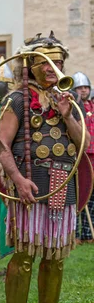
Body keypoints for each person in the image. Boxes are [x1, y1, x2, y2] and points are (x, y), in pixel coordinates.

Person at [0, 33, 89, 303]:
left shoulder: (69, 101)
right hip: (30, 183)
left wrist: (67, 114)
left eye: (59, 62)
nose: (55, 67)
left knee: (56, 254)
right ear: (30, 65)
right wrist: (19, 180)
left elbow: (83, 144)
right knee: (25, 253)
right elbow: (1, 145)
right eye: (48, 62)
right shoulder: (17, 99)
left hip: (64, 181)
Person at [71, 72, 94, 242]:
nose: (83, 90)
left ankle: (87, 233)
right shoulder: (74, 107)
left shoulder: (93, 107)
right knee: (78, 195)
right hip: (79, 157)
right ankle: (75, 234)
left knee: (91, 197)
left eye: (85, 87)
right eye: (80, 88)